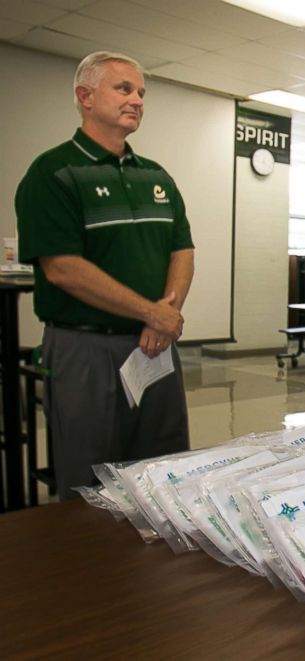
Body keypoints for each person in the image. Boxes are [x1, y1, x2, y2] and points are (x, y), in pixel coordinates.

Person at [15, 51, 195, 500]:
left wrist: (166, 313)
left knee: (164, 468)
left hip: (154, 346)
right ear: (85, 96)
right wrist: (152, 312)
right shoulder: (53, 173)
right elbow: (63, 269)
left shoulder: (156, 176)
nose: (136, 99)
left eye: (140, 93)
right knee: (90, 478)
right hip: (85, 348)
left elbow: (182, 249)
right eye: (123, 88)